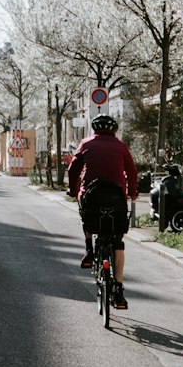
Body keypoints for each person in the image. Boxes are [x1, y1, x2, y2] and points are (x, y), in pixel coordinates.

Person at [67, 113, 138, 309]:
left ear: (94, 128)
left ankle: (89, 250)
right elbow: (132, 171)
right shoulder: (121, 146)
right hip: (116, 201)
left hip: (92, 197)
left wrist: (73, 190)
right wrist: (132, 193)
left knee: (87, 215)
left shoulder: (86, 143)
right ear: (114, 130)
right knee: (117, 242)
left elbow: (73, 168)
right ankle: (119, 289)